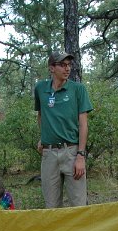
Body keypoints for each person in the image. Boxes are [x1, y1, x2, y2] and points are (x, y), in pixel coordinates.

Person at [34, 52, 93, 208]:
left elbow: (83, 124)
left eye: (69, 65)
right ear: (52, 68)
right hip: (49, 154)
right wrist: (43, 136)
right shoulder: (40, 88)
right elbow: (41, 115)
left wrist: (80, 156)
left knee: (78, 205)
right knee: (51, 207)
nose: (67, 69)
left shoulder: (78, 89)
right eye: (62, 65)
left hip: (71, 152)